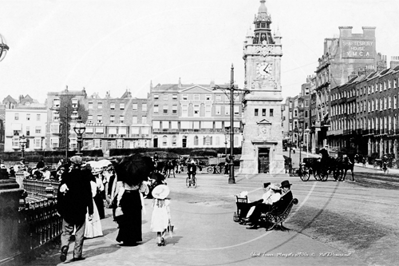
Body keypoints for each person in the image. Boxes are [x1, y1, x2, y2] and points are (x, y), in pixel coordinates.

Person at [57, 156, 93, 262]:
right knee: (79, 232)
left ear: (71, 164)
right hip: (80, 209)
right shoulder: (85, 177)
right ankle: (77, 254)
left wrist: (60, 209)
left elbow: (60, 194)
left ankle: (64, 246)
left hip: (68, 209)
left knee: (66, 231)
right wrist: (90, 211)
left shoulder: (66, 176)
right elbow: (88, 195)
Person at [115, 154, 152, 246]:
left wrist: (117, 199)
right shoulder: (139, 176)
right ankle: (134, 238)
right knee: (135, 218)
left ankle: (125, 238)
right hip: (135, 196)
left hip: (126, 196)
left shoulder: (123, 174)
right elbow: (144, 190)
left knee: (126, 218)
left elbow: (119, 188)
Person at [84, 168, 103, 239]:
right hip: (91, 200)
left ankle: (86, 232)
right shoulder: (93, 183)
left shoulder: (85, 183)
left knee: (86, 216)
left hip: (85, 200)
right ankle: (94, 232)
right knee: (92, 215)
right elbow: (94, 194)